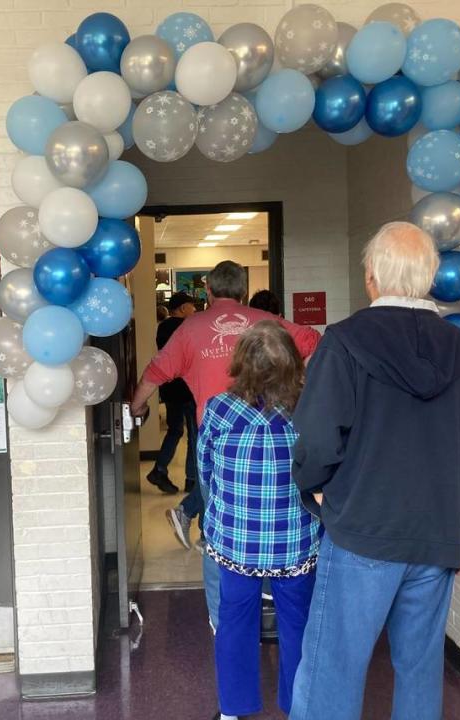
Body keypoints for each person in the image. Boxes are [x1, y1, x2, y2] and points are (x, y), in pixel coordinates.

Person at [288, 222, 460, 720]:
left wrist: (318, 491)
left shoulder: (343, 342)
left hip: (364, 530)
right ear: (429, 276)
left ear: (370, 278)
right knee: (420, 668)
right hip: (438, 534)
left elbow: (316, 440)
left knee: (333, 667)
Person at [130, 260, 321, 629]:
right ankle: (276, 600)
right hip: (275, 432)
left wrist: (136, 408)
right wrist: (302, 388)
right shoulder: (268, 323)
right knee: (278, 517)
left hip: (219, 436)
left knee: (217, 524)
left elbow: (154, 373)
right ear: (244, 293)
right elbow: (315, 342)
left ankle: (222, 619)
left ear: (210, 292)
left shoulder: (190, 328)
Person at [201, 321, 322, 720]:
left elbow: (204, 470)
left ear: (241, 363)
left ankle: (232, 710)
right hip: (296, 541)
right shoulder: (309, 410)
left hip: (235, 539)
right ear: (291, 363)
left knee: (234, 623)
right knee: (298, 625)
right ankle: (298, 705)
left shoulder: (218, 408)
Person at [146, 292, 197, 497]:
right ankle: (192, 479)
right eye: (192, 307)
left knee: (175, 430)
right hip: (188, 388)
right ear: (183, 308)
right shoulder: (188, 327)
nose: (194, 310)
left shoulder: (163, 327)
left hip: (169, 388)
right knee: (194, 433)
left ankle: (159, 469)